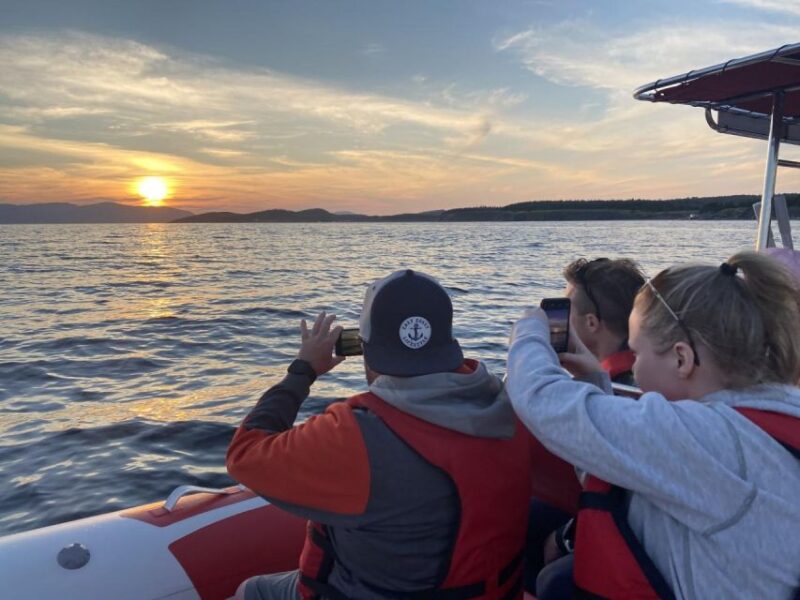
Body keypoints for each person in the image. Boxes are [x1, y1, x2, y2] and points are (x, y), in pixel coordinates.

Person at [507, 251, 800, 599]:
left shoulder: (707, 440)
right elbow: (620, 467)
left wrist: (528, 332)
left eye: (638, 353)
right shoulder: (764, 418)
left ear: (682, 358)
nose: (636, 367)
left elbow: (542, 402)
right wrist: (594, 378)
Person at [227, 269, 531, 600]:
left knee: (251, 590)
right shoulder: (509, 406)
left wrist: (303, 371)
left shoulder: (354, 435)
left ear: (366, 349)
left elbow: (244, 454)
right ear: (447, 340)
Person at [524, 257, 646, 593]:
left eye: (566, 307)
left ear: (591, 322)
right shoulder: (635, 379)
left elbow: (626, 496)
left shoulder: (627, 396)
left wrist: (566, 540)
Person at [563, 257, 646, 386]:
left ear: (591, 323)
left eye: (567, 308)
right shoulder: (651, 375)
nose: (563, 316)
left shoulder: (616, 390)